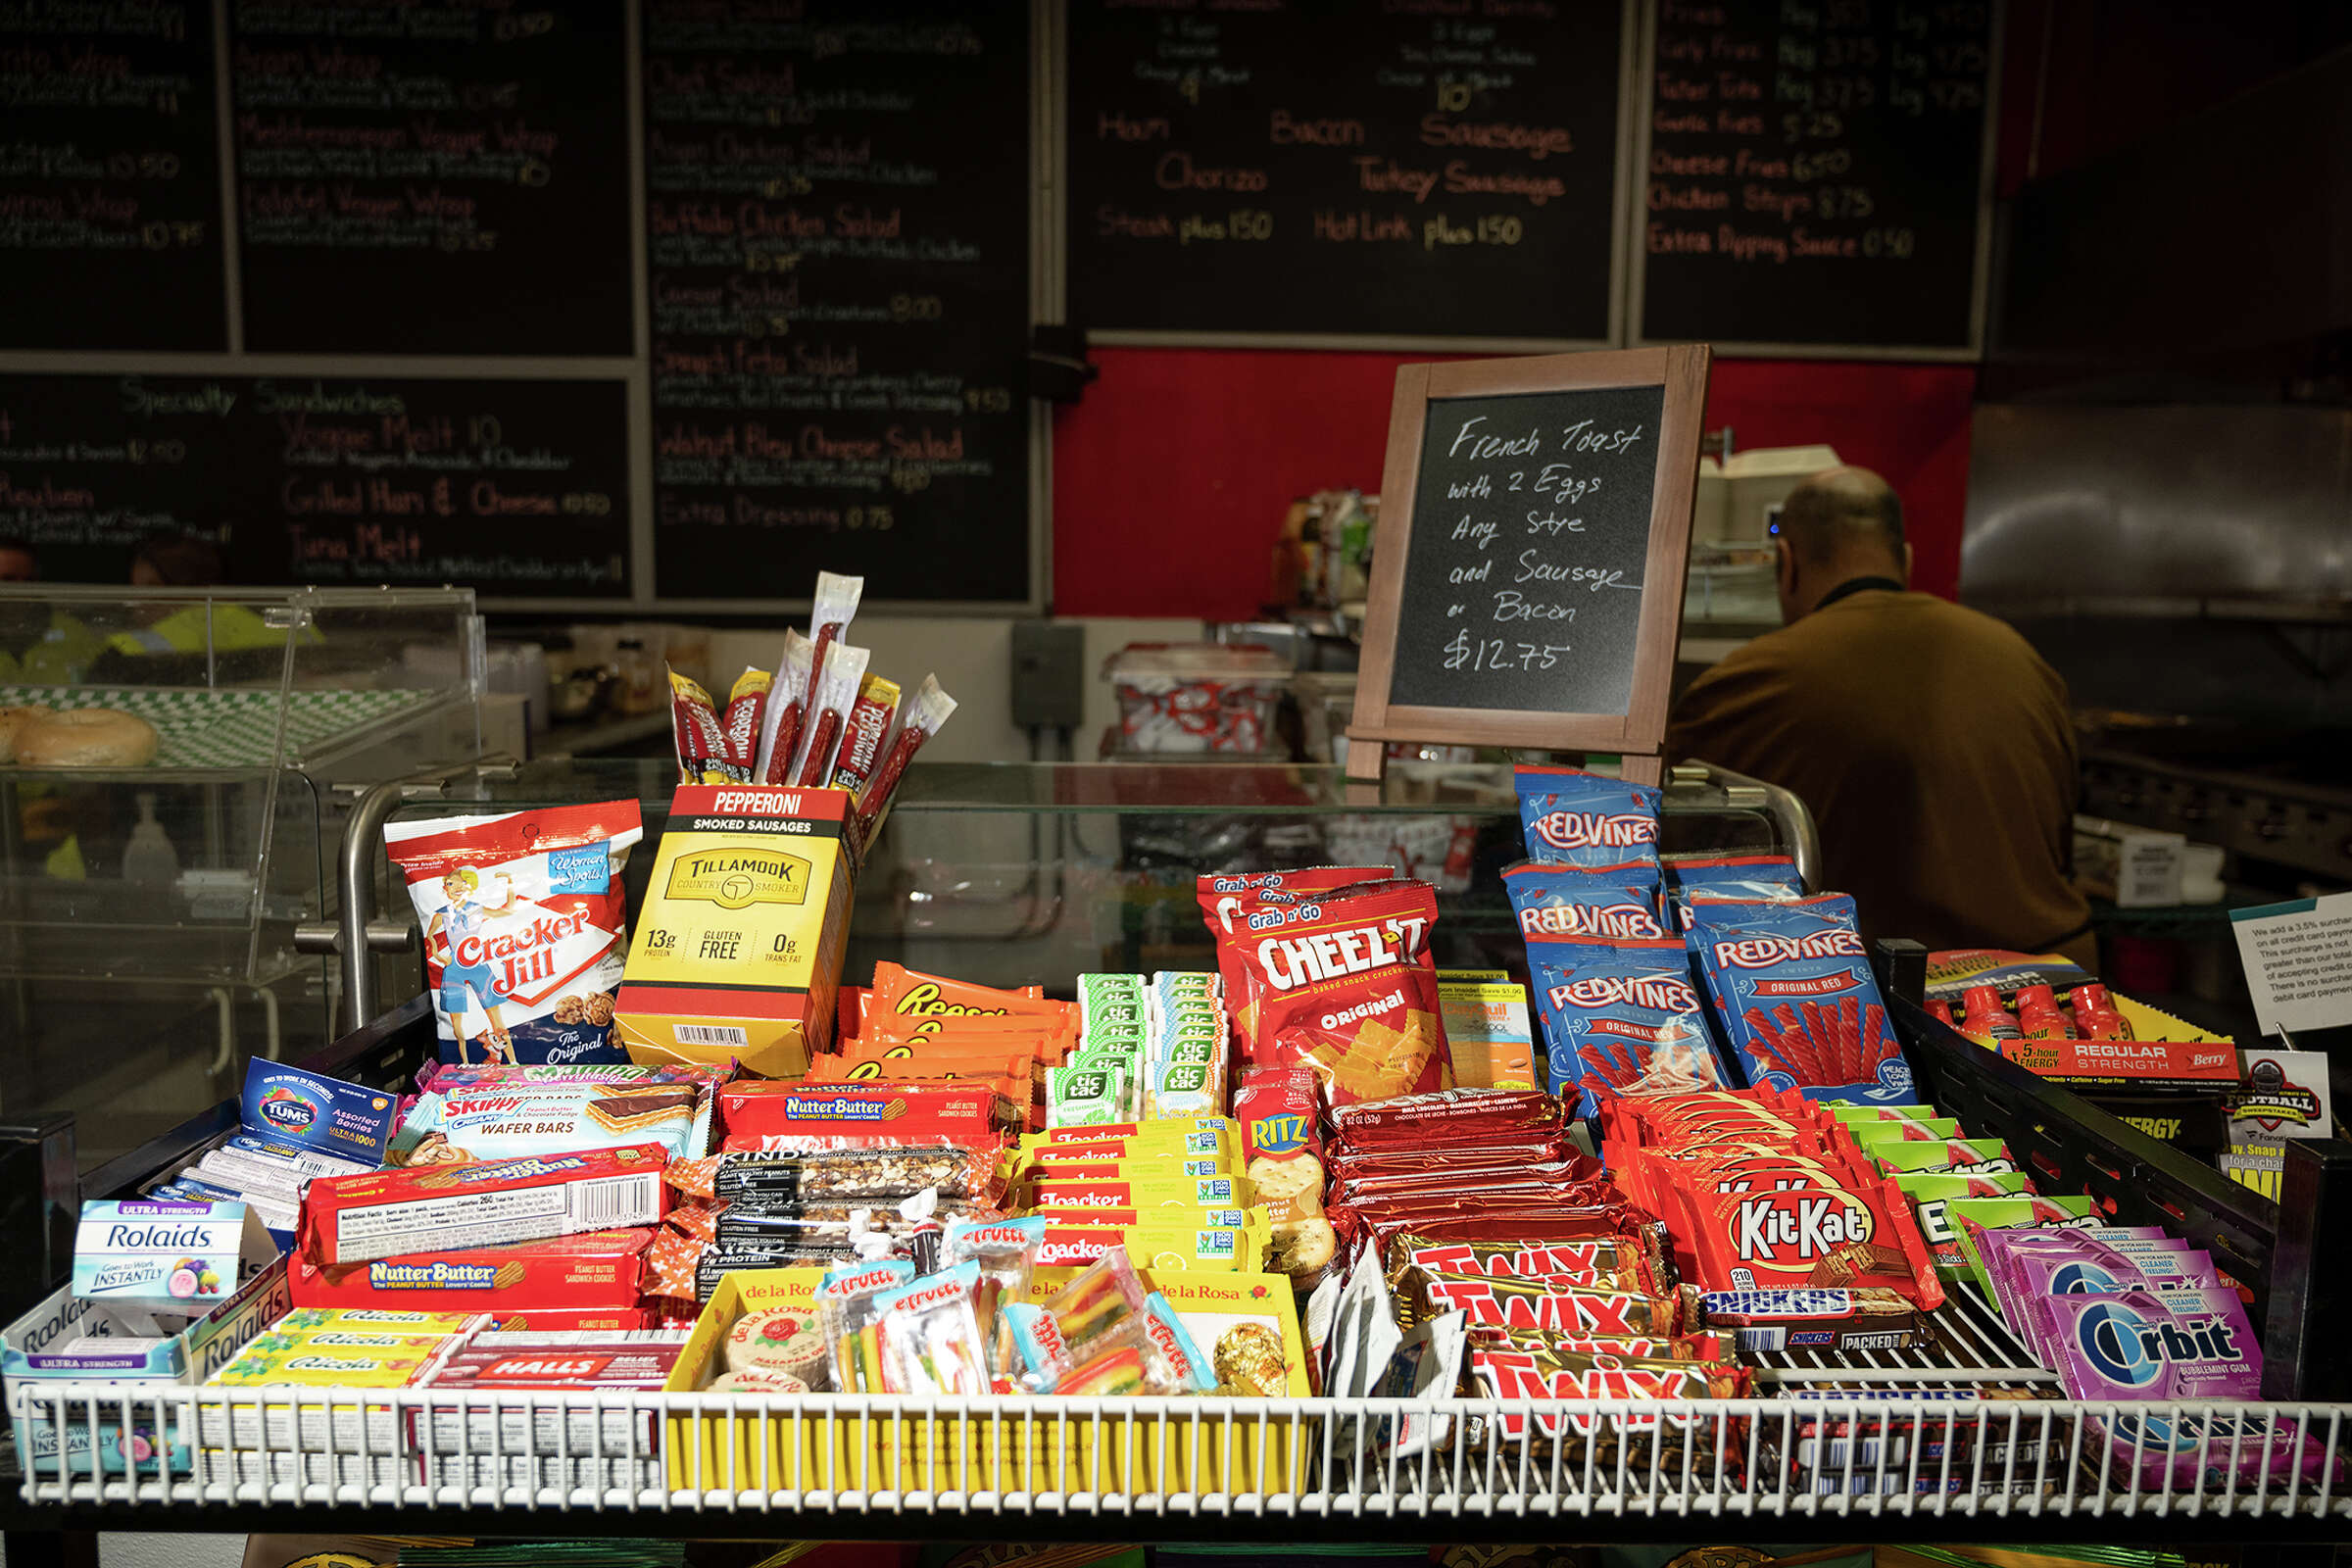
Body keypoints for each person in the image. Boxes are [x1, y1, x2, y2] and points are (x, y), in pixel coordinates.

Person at [1665, 466, 2094, 966]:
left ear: (1787, 562)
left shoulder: (1749, 679)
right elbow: (2060, 835)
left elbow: (1674, 850)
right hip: (2058, 984)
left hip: (1880, 993)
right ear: (1905, 559)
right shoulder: (2023, 659)